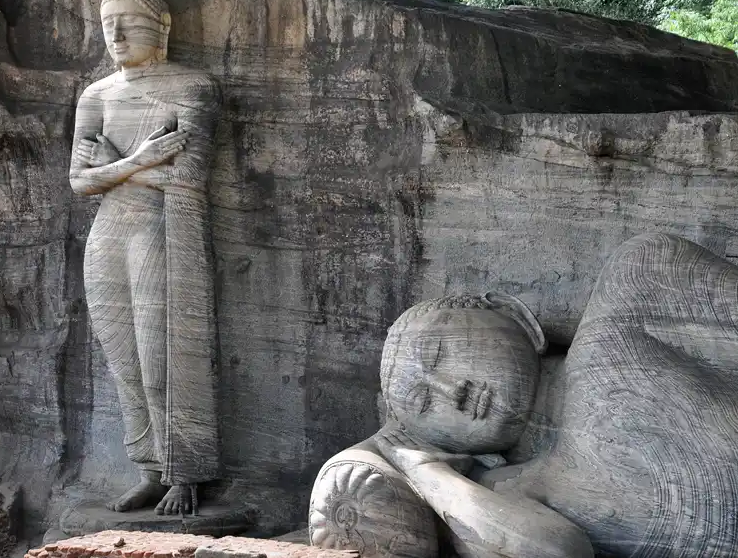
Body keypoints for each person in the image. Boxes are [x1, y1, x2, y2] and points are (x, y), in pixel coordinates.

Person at [312, 232, 738, 557]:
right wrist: (423, 469)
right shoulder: (516, 488)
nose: (452, 390)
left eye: (440, 352)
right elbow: (557, 550)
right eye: (424, 403)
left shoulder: (633, 286)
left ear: (514, 313)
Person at [69, 0, 222, 517]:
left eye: (128, 22)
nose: (115, 35)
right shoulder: (96, 95)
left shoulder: (192, 87)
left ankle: (185, 472)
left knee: (163, 357)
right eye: (107, 25)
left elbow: (188, 178)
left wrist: (112, 166)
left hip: (161, 231)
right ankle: (149, 470)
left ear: (163, 25)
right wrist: (138, 161)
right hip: (108, 235)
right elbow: (79, 181)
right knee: (124, 362)